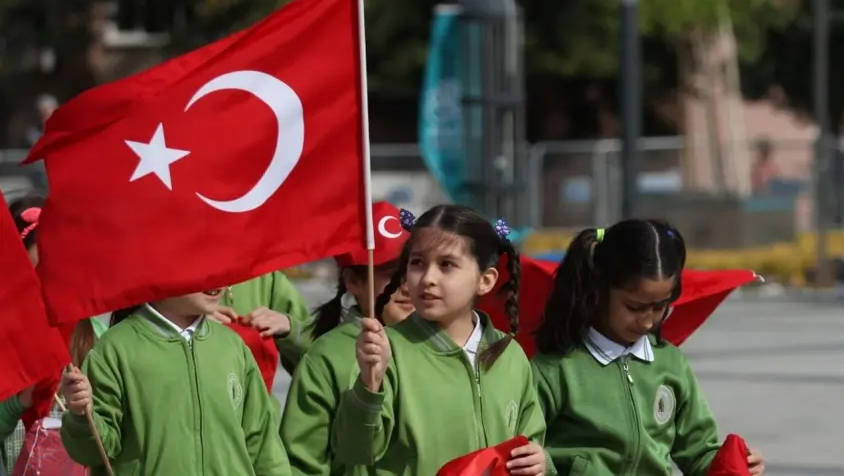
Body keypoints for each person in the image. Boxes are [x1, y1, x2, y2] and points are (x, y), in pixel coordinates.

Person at [532, 220, 765, 475]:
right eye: (634, 307)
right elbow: (527, 451)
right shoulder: (554, 369)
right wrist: (546, 466)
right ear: (598, 288)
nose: (647, 321)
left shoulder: (672, 363)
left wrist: (730, 464)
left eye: (659, 306)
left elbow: (699, 453)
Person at [331, 205, 549, 475]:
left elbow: (529, 440)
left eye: (446, 265)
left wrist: (540, 461)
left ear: (485, 280)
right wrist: (368, 387)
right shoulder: (388, 352)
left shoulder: (509, 354)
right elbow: (355, 452)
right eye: (417, 263)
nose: (428, 278)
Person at [59, 290, 291, 475]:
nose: (217, 281)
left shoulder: (233, 346)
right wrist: (81, 415)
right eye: (200, 266)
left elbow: (263, 444)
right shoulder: (115, 349)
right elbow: (91, 453)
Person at [280, 201, 413, 476]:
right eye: (392, 274)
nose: (409, 285)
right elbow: (302, 463)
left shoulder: (445, 344)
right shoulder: (326, 357)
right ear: (353, 281)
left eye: (416, 268)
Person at [0, 195, 106, 473]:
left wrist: (84, 406)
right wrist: (19, 401)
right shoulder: (6, 339)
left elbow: (115, 425)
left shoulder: (96, 332)